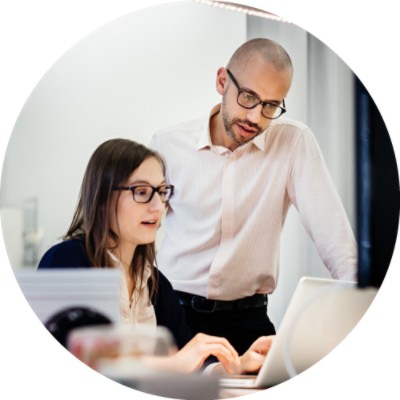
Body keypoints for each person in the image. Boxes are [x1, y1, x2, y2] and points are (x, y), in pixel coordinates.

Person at [149, 38, 357, 355]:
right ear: (222, 81)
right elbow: (134, 234)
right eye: (248, 97)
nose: (256, 119)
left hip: (249, 324)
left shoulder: (293, 142)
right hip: (173, 316)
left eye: (271, 106)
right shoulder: (167, 144)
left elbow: (339, 246)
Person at [38, 138, 272, 374]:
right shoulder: (65, 261)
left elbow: (185, 367)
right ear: (102, 197)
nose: (159, 206)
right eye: (141, 192)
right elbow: (78, 362)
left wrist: (237, 364)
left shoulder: (157, 284)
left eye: (161, 192)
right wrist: (177, 363)